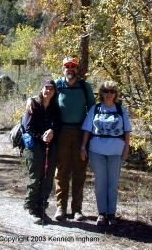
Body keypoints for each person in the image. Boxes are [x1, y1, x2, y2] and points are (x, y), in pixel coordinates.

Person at [80, 81, 131, 226]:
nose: (109, 94)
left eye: (112, 91)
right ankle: (102, 213)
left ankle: (111, 214)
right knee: (100, 183)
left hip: (116, 151)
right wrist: (83, 147)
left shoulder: (121, 110)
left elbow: (127, 131)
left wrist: (127, 147)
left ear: (115, 94)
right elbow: (87, 130)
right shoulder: (95, 109)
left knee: (112, 184)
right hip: (97, 151)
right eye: (106, 91)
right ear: (101, 93)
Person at [53, 56, 95, 221]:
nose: (70, 69)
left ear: (77, 69)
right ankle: (60, 209)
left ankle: (77, 210)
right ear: (63, 68)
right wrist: (29, 101)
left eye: (73, 66)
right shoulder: (57, 85)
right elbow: (43, 99)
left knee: (79, 172)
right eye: (67, 66)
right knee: (61, 172)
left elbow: (92, 111)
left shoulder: (85, 87)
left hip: (80, 133)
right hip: (61, 132)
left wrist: (90, 136)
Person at [22, 79, 61, 225]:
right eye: (46, 88)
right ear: (41, 89)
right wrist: (42, 137)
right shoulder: (34, 105)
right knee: (35, 177)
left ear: (54, 92)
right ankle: (31, 208)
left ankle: (41, 208)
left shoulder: (55, 108)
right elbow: (28, 128)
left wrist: (52, 131)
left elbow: (58, 125)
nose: (48, 91)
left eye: (51, 89)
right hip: (34, 146)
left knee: (48, 178)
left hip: (50, 147)